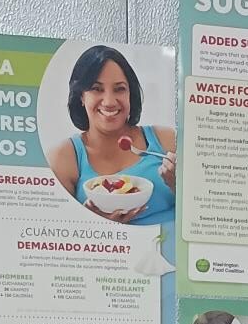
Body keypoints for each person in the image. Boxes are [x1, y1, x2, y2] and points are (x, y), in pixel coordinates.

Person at [50, 46, 175, 224]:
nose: (109, 102)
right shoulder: (64, 157)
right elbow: (53, 235)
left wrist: (182, 188)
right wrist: (89, 222)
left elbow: (210, 209)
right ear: (81, 96)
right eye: (96, 88)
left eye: (119, 89)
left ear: (130, 94)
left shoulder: (166, 139)